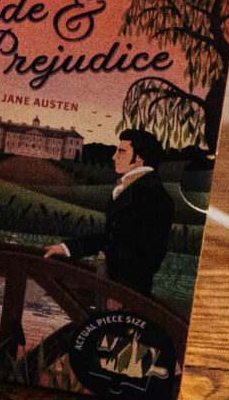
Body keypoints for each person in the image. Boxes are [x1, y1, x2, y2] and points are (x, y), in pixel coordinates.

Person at [48, 128, 174, 299]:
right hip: (113, 278)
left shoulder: (152, 196)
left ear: (139, 158)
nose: (114, 157)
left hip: (125, 284)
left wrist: (120, 292)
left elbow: (128, 244)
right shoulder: (132, 188)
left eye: (121, 151)